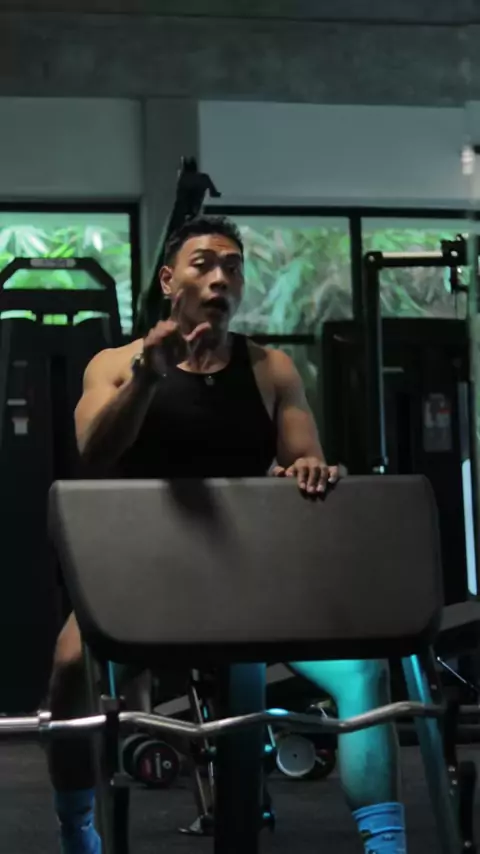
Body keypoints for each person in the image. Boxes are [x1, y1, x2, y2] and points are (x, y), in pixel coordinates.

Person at [48, 215, 406, 854]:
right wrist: (150, 377)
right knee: (71, 664)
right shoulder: (116, 365)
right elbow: (94, 456)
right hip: (144, 578)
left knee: (362, 674)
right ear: (169, 281)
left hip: (251, 577)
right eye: (204, 264)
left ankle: (386, 844)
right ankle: (78, 831)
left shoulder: (272, 370)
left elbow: (306, 460)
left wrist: (309, 469)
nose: (220, 278)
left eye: (233, 267)